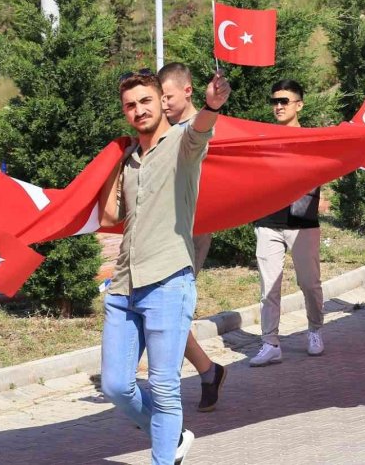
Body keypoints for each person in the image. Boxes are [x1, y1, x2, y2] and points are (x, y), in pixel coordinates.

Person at [98, 68, 230, 464]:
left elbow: (201, 128)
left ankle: (163, 454)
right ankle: (172, 438)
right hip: (123, 286)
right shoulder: (128, 160)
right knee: (116, 386)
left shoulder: (182, 144)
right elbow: (108, 217)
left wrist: (212, 105)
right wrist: (112, 161)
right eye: (130, 105)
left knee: (164, 387)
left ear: (162, 101)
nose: (139, 110)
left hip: (168, 282)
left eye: (145, 101)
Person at [157, 62, 227, 413]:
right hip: (162, 233)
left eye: (167, 97)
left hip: (192, 232)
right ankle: (207, 371)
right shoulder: (166, 130)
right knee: (163, 312)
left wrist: (212, 106)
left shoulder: (200, 128)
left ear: (187, 91)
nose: (163, 104)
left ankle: (163, 397)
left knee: (167, 311)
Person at [249, 80, 325, 366]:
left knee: (309, 283)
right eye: (275, 101)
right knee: (269, 287)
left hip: (303, 222)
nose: (278, 106)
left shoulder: (312, 140)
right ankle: (270, 342)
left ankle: (315, 330)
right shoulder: (263, 138)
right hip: (268, 221)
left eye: (284, 101)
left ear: (299, 105)